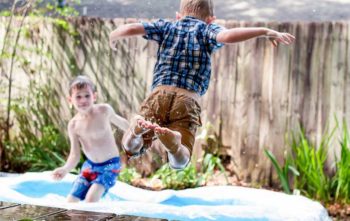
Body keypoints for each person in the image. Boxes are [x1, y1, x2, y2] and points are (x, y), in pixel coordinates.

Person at [109, 0, 295, 170]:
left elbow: (133, 27)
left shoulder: (166, 27)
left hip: (159, 95)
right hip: (187, 100)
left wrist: (114, 35)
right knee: (181, 160)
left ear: (178, 16)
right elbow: (228, 36)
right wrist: (264, 31)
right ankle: (174, 146)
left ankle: (135, 131)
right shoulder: (207, 30)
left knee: (130, 148)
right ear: (210, 19)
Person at [52, 75, 129, 202]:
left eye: (87, 95)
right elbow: (75, 155)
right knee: (70, 201)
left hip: (110, 165)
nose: (83, 100)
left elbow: (123, 124)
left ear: (94, 96)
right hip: (90, 166)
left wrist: (137, 133)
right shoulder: (73, 125)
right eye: (78, 96)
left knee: (90, 200)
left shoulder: (104, 111)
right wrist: (65, 169)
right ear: (70, 99)